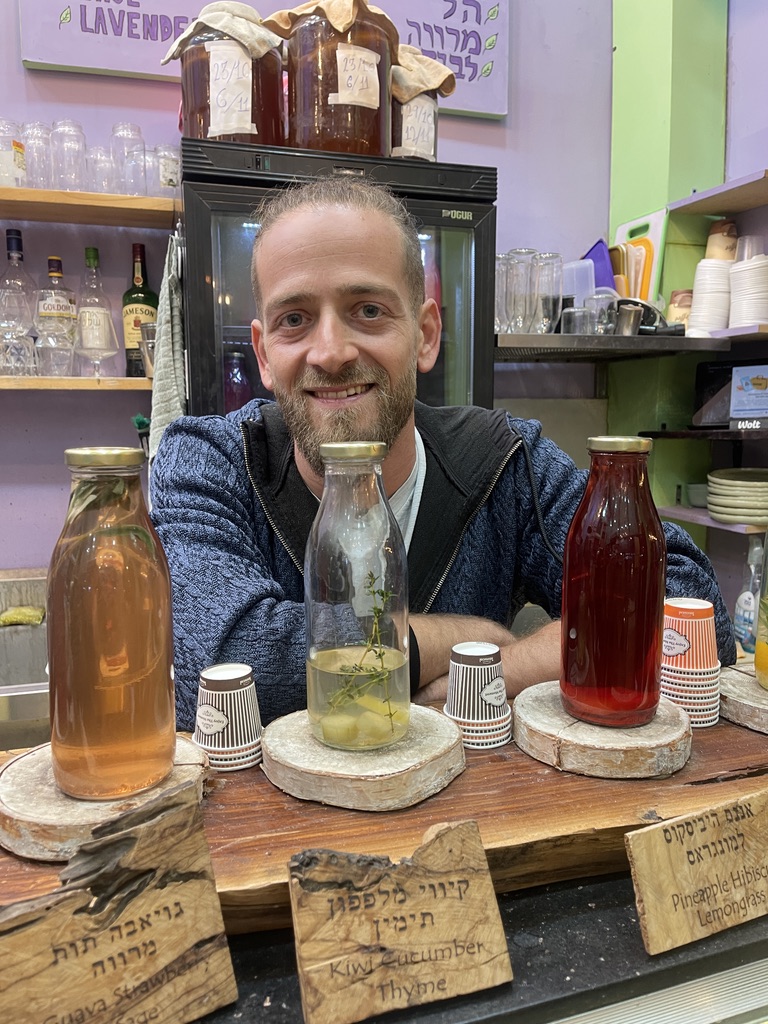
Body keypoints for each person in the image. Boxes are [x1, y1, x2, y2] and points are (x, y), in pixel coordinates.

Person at [150, 176, 736, 732]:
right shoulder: (208, 463)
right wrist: (463, 639)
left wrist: (508, 668)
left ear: (426, 335)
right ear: (263, 353)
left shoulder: (506, 461)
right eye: (294, 320)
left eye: (368, 310)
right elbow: (222, 664)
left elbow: (691, 609)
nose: (329, 352)